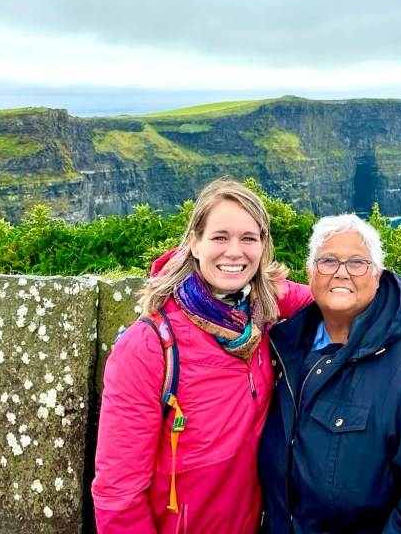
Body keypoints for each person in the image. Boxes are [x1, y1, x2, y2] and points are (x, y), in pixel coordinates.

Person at [93, 177, 313, 534]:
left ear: (263, 245)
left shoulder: (262, 307)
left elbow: (334, 297)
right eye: (220, 237)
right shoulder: (147, 348)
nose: (235, 252)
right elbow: (118, 495)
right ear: (194, 242)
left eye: (248, 238)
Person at [258, 214, 401, 534]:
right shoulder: (286, 352)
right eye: (328, 261)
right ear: (309, 272)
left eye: (357, 262)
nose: (341, 272)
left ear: (378, 274)